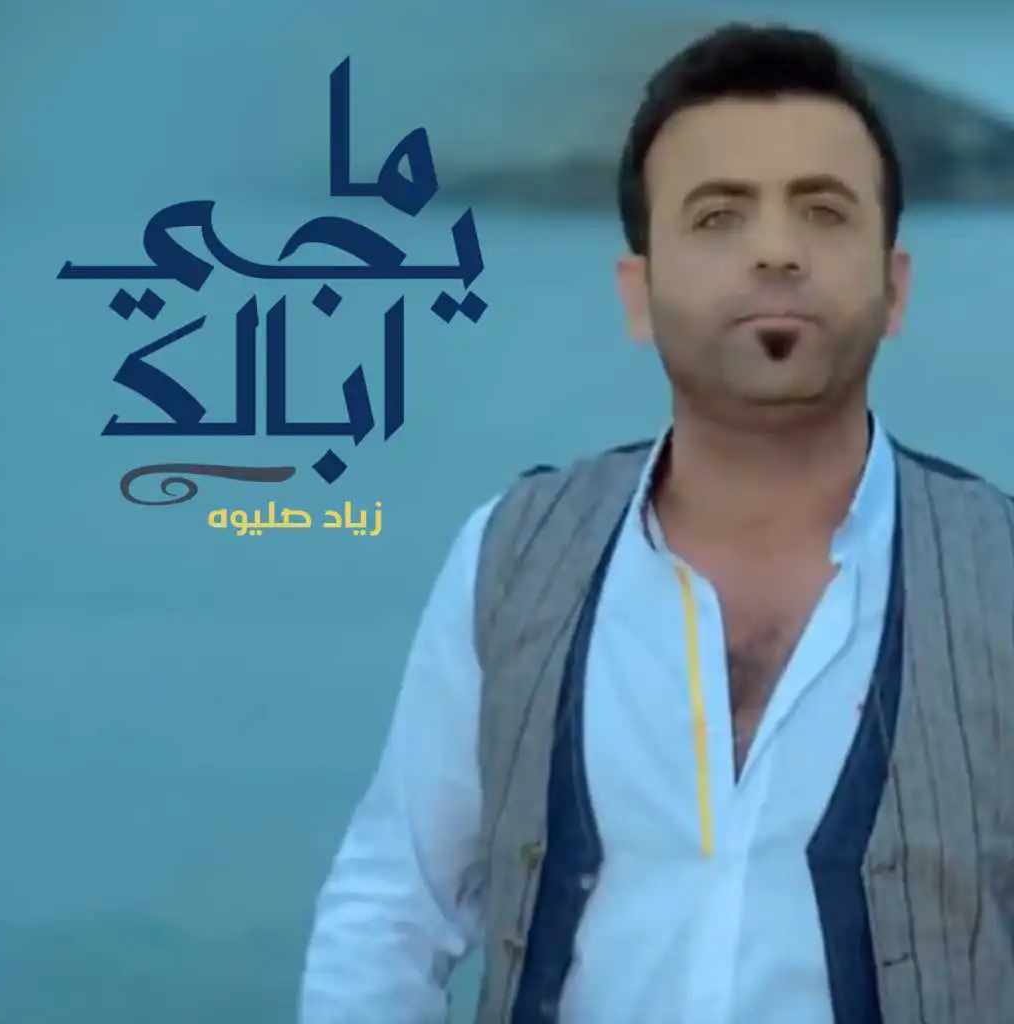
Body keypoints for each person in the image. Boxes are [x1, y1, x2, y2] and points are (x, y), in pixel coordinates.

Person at [298, 23, 1014, 1024]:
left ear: (894, 289)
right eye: (718, 216)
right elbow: (395, 907)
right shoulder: (512, 557)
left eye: (822, 210)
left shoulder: (998, 574)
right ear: (638, 296)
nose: (775, 250)